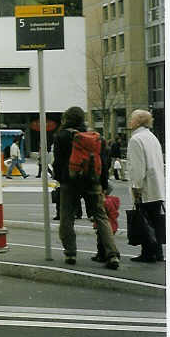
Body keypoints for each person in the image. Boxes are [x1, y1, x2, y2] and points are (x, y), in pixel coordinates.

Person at [52, 106, 119, 269]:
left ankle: (70, 253)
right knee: (101, 217)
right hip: (92, 182)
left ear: (66, 119)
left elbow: (59, 162)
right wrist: (102, 184)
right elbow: (103, 163)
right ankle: (112, 254)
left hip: (70, 182)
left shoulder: (61, 136)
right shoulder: (95, 137)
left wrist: (60, 180)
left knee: (67, 217)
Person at [126, 109, 165, 263]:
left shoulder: (136, 140)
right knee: (155, 220)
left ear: (138, 121)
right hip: (156, 187)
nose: (129, 120)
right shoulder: (152, 137)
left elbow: (137, 167)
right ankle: (158, 252)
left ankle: (148, 252)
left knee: (145, 221)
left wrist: (136, 188)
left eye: (132, 118)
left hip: (146, 188)